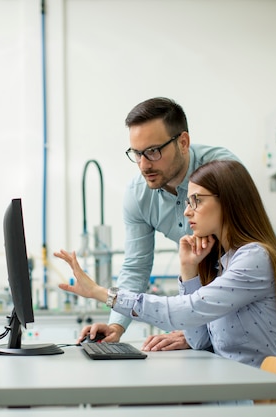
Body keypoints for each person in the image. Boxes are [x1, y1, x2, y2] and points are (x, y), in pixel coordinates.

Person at [55, 159, 276, 403]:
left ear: (230, 202)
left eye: (197, 201)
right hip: (243, 391)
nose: (188, 211)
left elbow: (186, 312)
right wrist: (189, 269)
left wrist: (102, 293)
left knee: (144, 405)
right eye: (188, 201)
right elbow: (198, 338)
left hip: (268, 402)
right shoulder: (224, 263)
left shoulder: (254, 258)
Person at [81, 97, 240, 351]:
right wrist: (116, 326)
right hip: (202, 312)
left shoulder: (222, 172)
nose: (144, 165)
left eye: (153, 151)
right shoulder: (138, 194)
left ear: (183, 142)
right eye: (137, 153)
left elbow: (242, 259)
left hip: (239, 313)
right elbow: (136, 266)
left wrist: (195, 328)